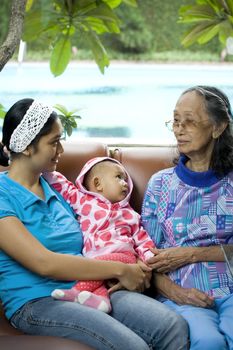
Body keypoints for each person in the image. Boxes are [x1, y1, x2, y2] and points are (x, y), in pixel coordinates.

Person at [0, 98, 189, 350]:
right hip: (36, 301)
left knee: (173, 326)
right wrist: (119, 270)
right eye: (54, 142)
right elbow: (43, 263)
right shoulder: (3, 195)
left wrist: (135, 264)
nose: (61, 151)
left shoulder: (59, 188)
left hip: (89, 290)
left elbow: (103, 229)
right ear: (26, 147)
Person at [141, 86, 233, 350]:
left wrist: (193, 254)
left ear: (218, 127)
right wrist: (174, 292)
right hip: (182, 291)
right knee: (208, 342)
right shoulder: (160, 184)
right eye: (176, 121)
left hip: (231, 289)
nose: (179, 129)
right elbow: (144, 255)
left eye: (189, 121)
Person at [43, 157, 155, 313]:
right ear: (97, 184)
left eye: (125, 179)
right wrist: (46, 171)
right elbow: (64, 187)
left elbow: (142, 239)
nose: (125, 183)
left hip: (123, 257)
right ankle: (102, 301)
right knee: (97, 278)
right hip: (93, 261)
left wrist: (149, 260)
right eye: (118, 177)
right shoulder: (83, 202)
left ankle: (76, 290)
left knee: (96, 269)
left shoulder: (129, 214)